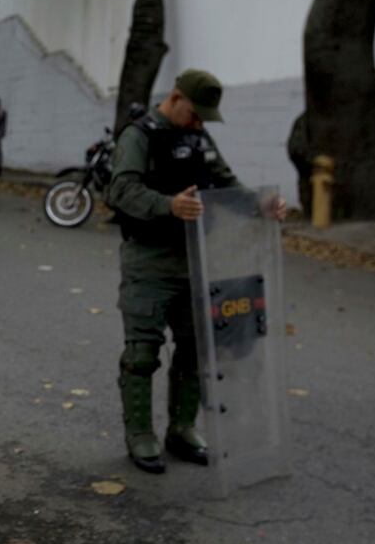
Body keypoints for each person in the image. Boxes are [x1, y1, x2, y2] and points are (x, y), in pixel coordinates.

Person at [106, 69, 286, 474]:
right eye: (195, 113)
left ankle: (181, 428)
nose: (200, 122)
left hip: (196, 259)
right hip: (149, 262)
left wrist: (260, 203)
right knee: (141, 353)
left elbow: (225, 184)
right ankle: (139, 434)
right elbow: (121, 191)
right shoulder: (138, 136)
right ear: (175, 98)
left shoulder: (198, 137)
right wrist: (168, 205)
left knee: (195, 348)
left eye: (205, 117)